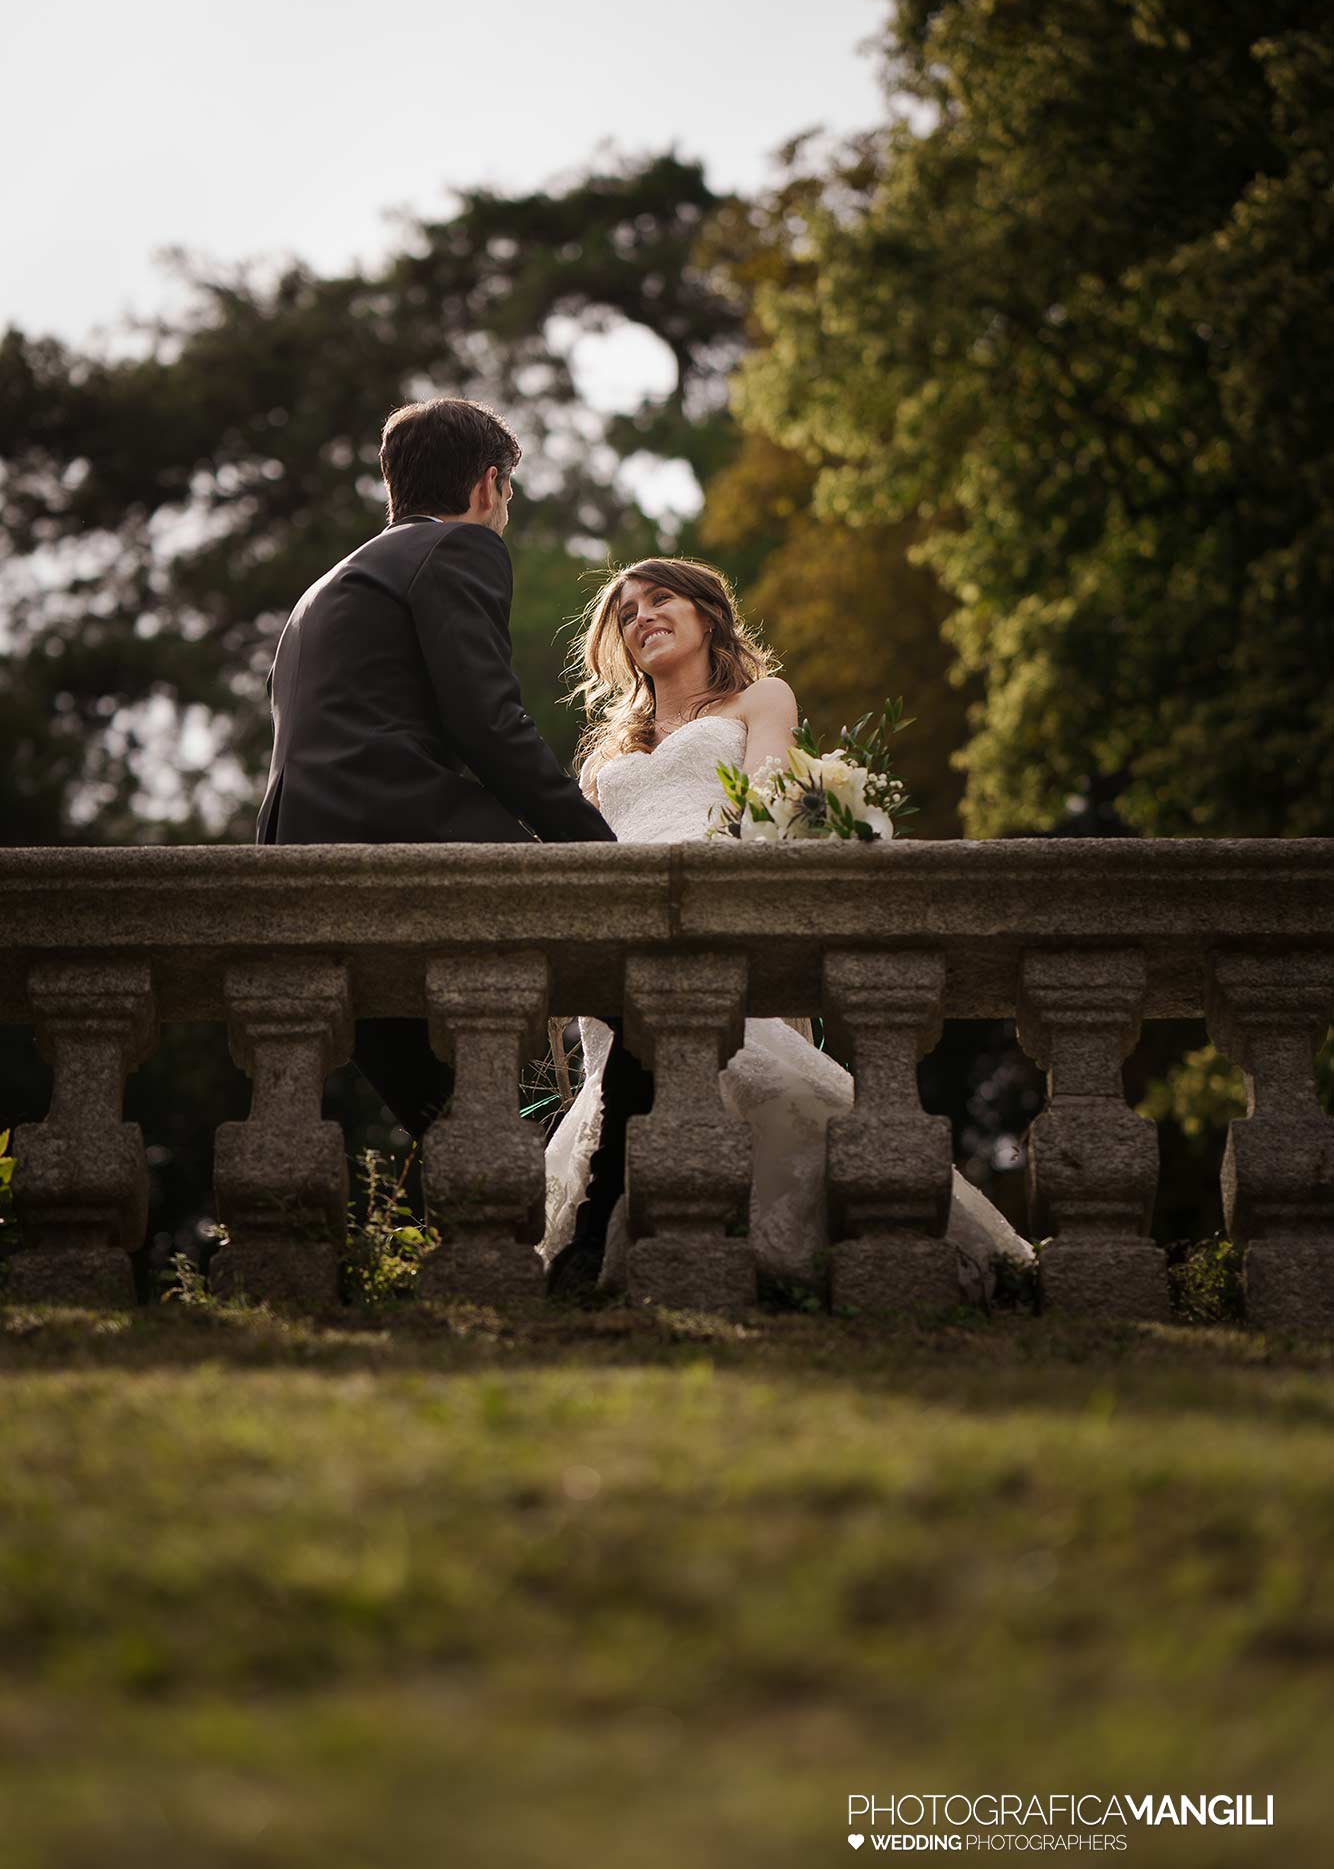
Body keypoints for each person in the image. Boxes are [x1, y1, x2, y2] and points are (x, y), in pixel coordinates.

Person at [542, 557, 1037, 1300]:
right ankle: (618, 1259)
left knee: (747, 1072)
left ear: (706, 614)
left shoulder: (757, 700)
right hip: (618, 935)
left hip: (716, 912)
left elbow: (768, 808)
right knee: (624, 1096)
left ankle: (789, 1264)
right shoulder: (607, 754)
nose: (641, 615)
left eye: (660, 598)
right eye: (626, 611)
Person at [256, 396, 651, 1269]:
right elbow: (490, 724)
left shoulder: (324, 587)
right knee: (648, 985)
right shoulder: (459, 547)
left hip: (296, 840)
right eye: (507, 494)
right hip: (401, 819)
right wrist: (597, 854)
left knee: (407, 1055)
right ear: (489, 483)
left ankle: (518, 1202)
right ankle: (591, 1230)